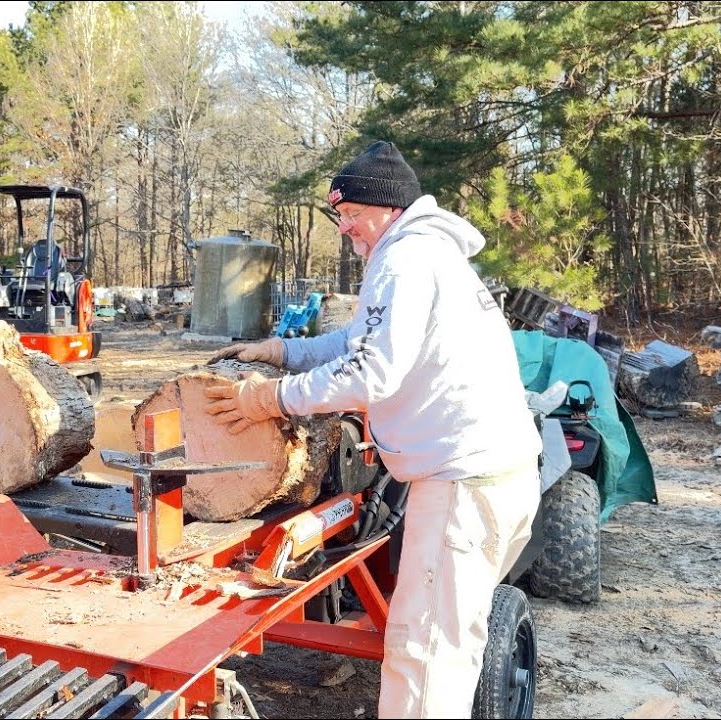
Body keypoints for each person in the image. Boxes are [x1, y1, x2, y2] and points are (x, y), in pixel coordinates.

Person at [204, 140, 543, 719]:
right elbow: (355, 342)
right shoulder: (427, 255)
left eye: (352, 217)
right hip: (493, 472)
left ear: (387, 209)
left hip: (462, 483)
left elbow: (372, 372)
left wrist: (269, 399)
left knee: (424, 655)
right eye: (341, 218)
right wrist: (281, 351)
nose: (346, 231)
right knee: (446, 646)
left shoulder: (405, 259)